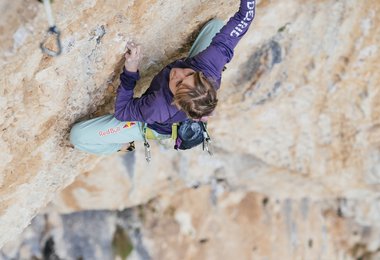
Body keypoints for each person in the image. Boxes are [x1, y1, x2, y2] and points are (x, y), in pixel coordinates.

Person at [70, 0, 256, 155]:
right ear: (201, 77)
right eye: (188, 74)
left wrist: (131, 70)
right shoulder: (209, 67)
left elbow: (123, 111)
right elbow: (243, 21)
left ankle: (117, 146)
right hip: (194, 90)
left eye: (178, 84)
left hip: (154, 125)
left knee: (78, 136)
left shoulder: (157, 107)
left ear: (175, 99)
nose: (178, 73)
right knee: (216, 26)